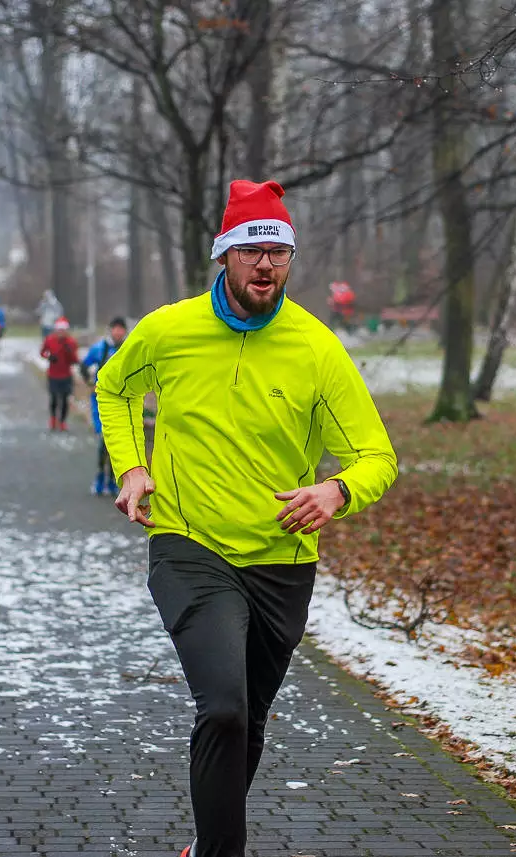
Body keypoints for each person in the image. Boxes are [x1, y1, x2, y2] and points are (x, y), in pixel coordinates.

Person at [95, 179, 397, 857]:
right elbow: (113, 387)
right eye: (252, 250)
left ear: (290, 260)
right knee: (224, 705)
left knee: (248, 718)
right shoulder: (169, 329)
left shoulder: (315, 348)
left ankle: (206, 843)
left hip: (281, 562)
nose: (266, 264)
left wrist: (338, 491)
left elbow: (378, 455)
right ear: (225, 256)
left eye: (279, 252)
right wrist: (132, 466)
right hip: (189, 544)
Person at [79, 316, 128, 495]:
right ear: (110, 330)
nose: (118, 332)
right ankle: (101, 478)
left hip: (122, 401)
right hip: (101, 402)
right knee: (105, 441)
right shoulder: (101, 348)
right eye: (115, 328)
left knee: (117, 443)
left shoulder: (129, 348)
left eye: (121, 329)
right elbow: (84, 366)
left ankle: (113, 481)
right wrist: (90, 384)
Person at [41, 317, 78, 431]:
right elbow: (42, 352)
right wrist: (49, 357)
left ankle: (62, 422)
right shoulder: (50, 340)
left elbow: (75, 360)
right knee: (54, 398)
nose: (61, 333)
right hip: (53, 374)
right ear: (56, 330)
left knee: (65, 399)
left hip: (66, 375)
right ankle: (53, 419)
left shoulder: (71, 342)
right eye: (59, 330)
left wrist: (69, 351)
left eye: (63, 330)